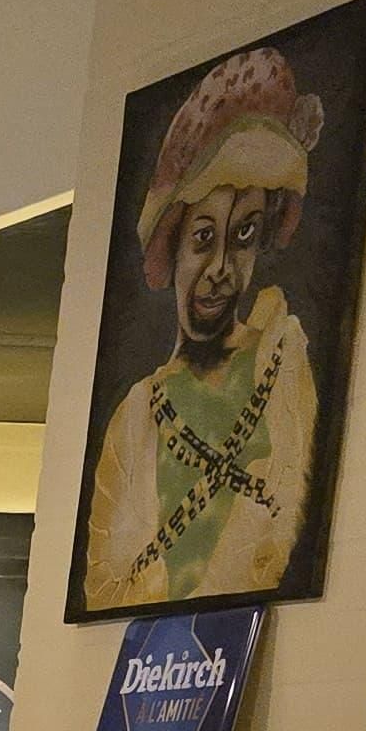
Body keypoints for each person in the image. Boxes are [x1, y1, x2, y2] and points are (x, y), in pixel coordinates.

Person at [82, 45, 329, 610]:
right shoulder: (135, 416)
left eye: (242, 236)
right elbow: (101, 586)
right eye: (202, 239)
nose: (220, 268)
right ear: (172, 249)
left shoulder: (282, 362)